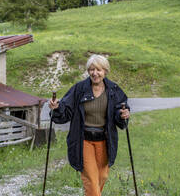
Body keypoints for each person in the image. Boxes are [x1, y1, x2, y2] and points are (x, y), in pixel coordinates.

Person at [49, 54, 130, 196]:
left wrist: (123, 115)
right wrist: (57, 108)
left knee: (102, 177)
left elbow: (119, 111)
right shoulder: (79, 89)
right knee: (92, 181)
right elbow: (65, 111)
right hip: (83, 140)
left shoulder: (113, 90)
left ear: (105, 71)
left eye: (98, 69)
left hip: (104, 141)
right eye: (91, 69)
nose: (95, 73)